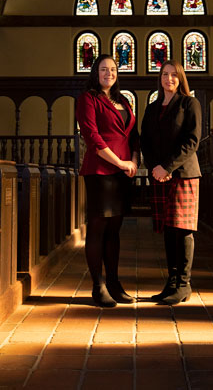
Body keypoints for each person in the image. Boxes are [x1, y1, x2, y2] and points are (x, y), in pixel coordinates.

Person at [75, 54, 139, 307]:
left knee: (115, 230)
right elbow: (92, 137)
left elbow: (133, 134)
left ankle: (114, 282)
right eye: (103, 69)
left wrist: (133, 160)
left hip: (123, 173)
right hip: (100, 171)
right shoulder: (88, 99)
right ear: (95, 73)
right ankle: (97, 285)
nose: (108, 73)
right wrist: (121, 163)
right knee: (98, 229)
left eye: (112, 69)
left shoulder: (123, 100)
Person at [140, 59, 202, 305]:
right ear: (160, 78)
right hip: (159, 174)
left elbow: (192, 140)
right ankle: (171, 281)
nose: (169, 79)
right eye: (165, 74)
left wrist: (167, 167)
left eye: (174, 75)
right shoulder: (152, 108)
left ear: (181, 78)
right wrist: (155, 167)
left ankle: (184, 284)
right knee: (168, 229)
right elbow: (145, 140)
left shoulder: (190, 103)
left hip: (183, 173)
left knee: (183, 229)